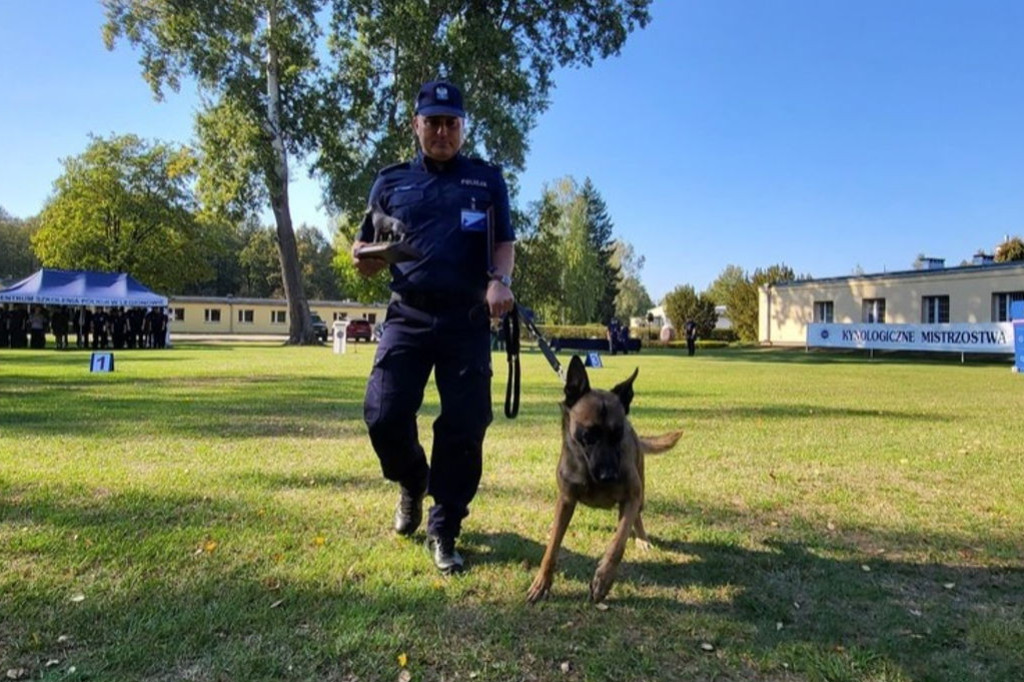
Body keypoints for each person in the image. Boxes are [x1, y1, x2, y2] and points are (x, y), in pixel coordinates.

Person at [351, 80, 515, 575]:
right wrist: (365, 260)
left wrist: (499, 281)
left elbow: (503, 243)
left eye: (452, 123)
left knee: (464, 427)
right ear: (416, 124)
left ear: (463, 127)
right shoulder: (390, 183)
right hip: (408, 313)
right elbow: (363, 250)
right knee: (383, 414)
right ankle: (411, 480)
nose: (443, 131)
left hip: (467, 317)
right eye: (433, 122)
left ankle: (444, 527)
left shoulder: (487, 182)